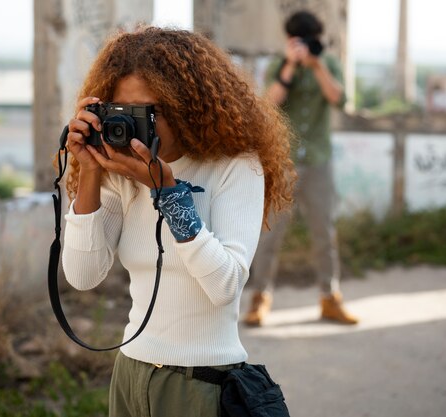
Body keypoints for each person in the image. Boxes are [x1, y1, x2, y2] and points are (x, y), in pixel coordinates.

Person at [61, 27, 295, 416]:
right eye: (125, 110)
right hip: (130, 372)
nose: (139, 125)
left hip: (199, 382)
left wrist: (168, 193)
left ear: (188, 105)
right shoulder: (118, 171)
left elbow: (226, 285)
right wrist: (90, 171)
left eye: (152, 111)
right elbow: (83, 276)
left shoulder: (236, 166)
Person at [243, 10, 359, 327]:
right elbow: (269, 104)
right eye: (299, 41)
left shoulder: (328, 63)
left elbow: (339, 99)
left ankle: (330, 298)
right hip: (285, 161)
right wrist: (292, 65)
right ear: (289, 41)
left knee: (325, 231)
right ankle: (259, 298)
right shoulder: (281, 66)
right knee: (270, 234)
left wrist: (317, 65)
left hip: (319, 159)